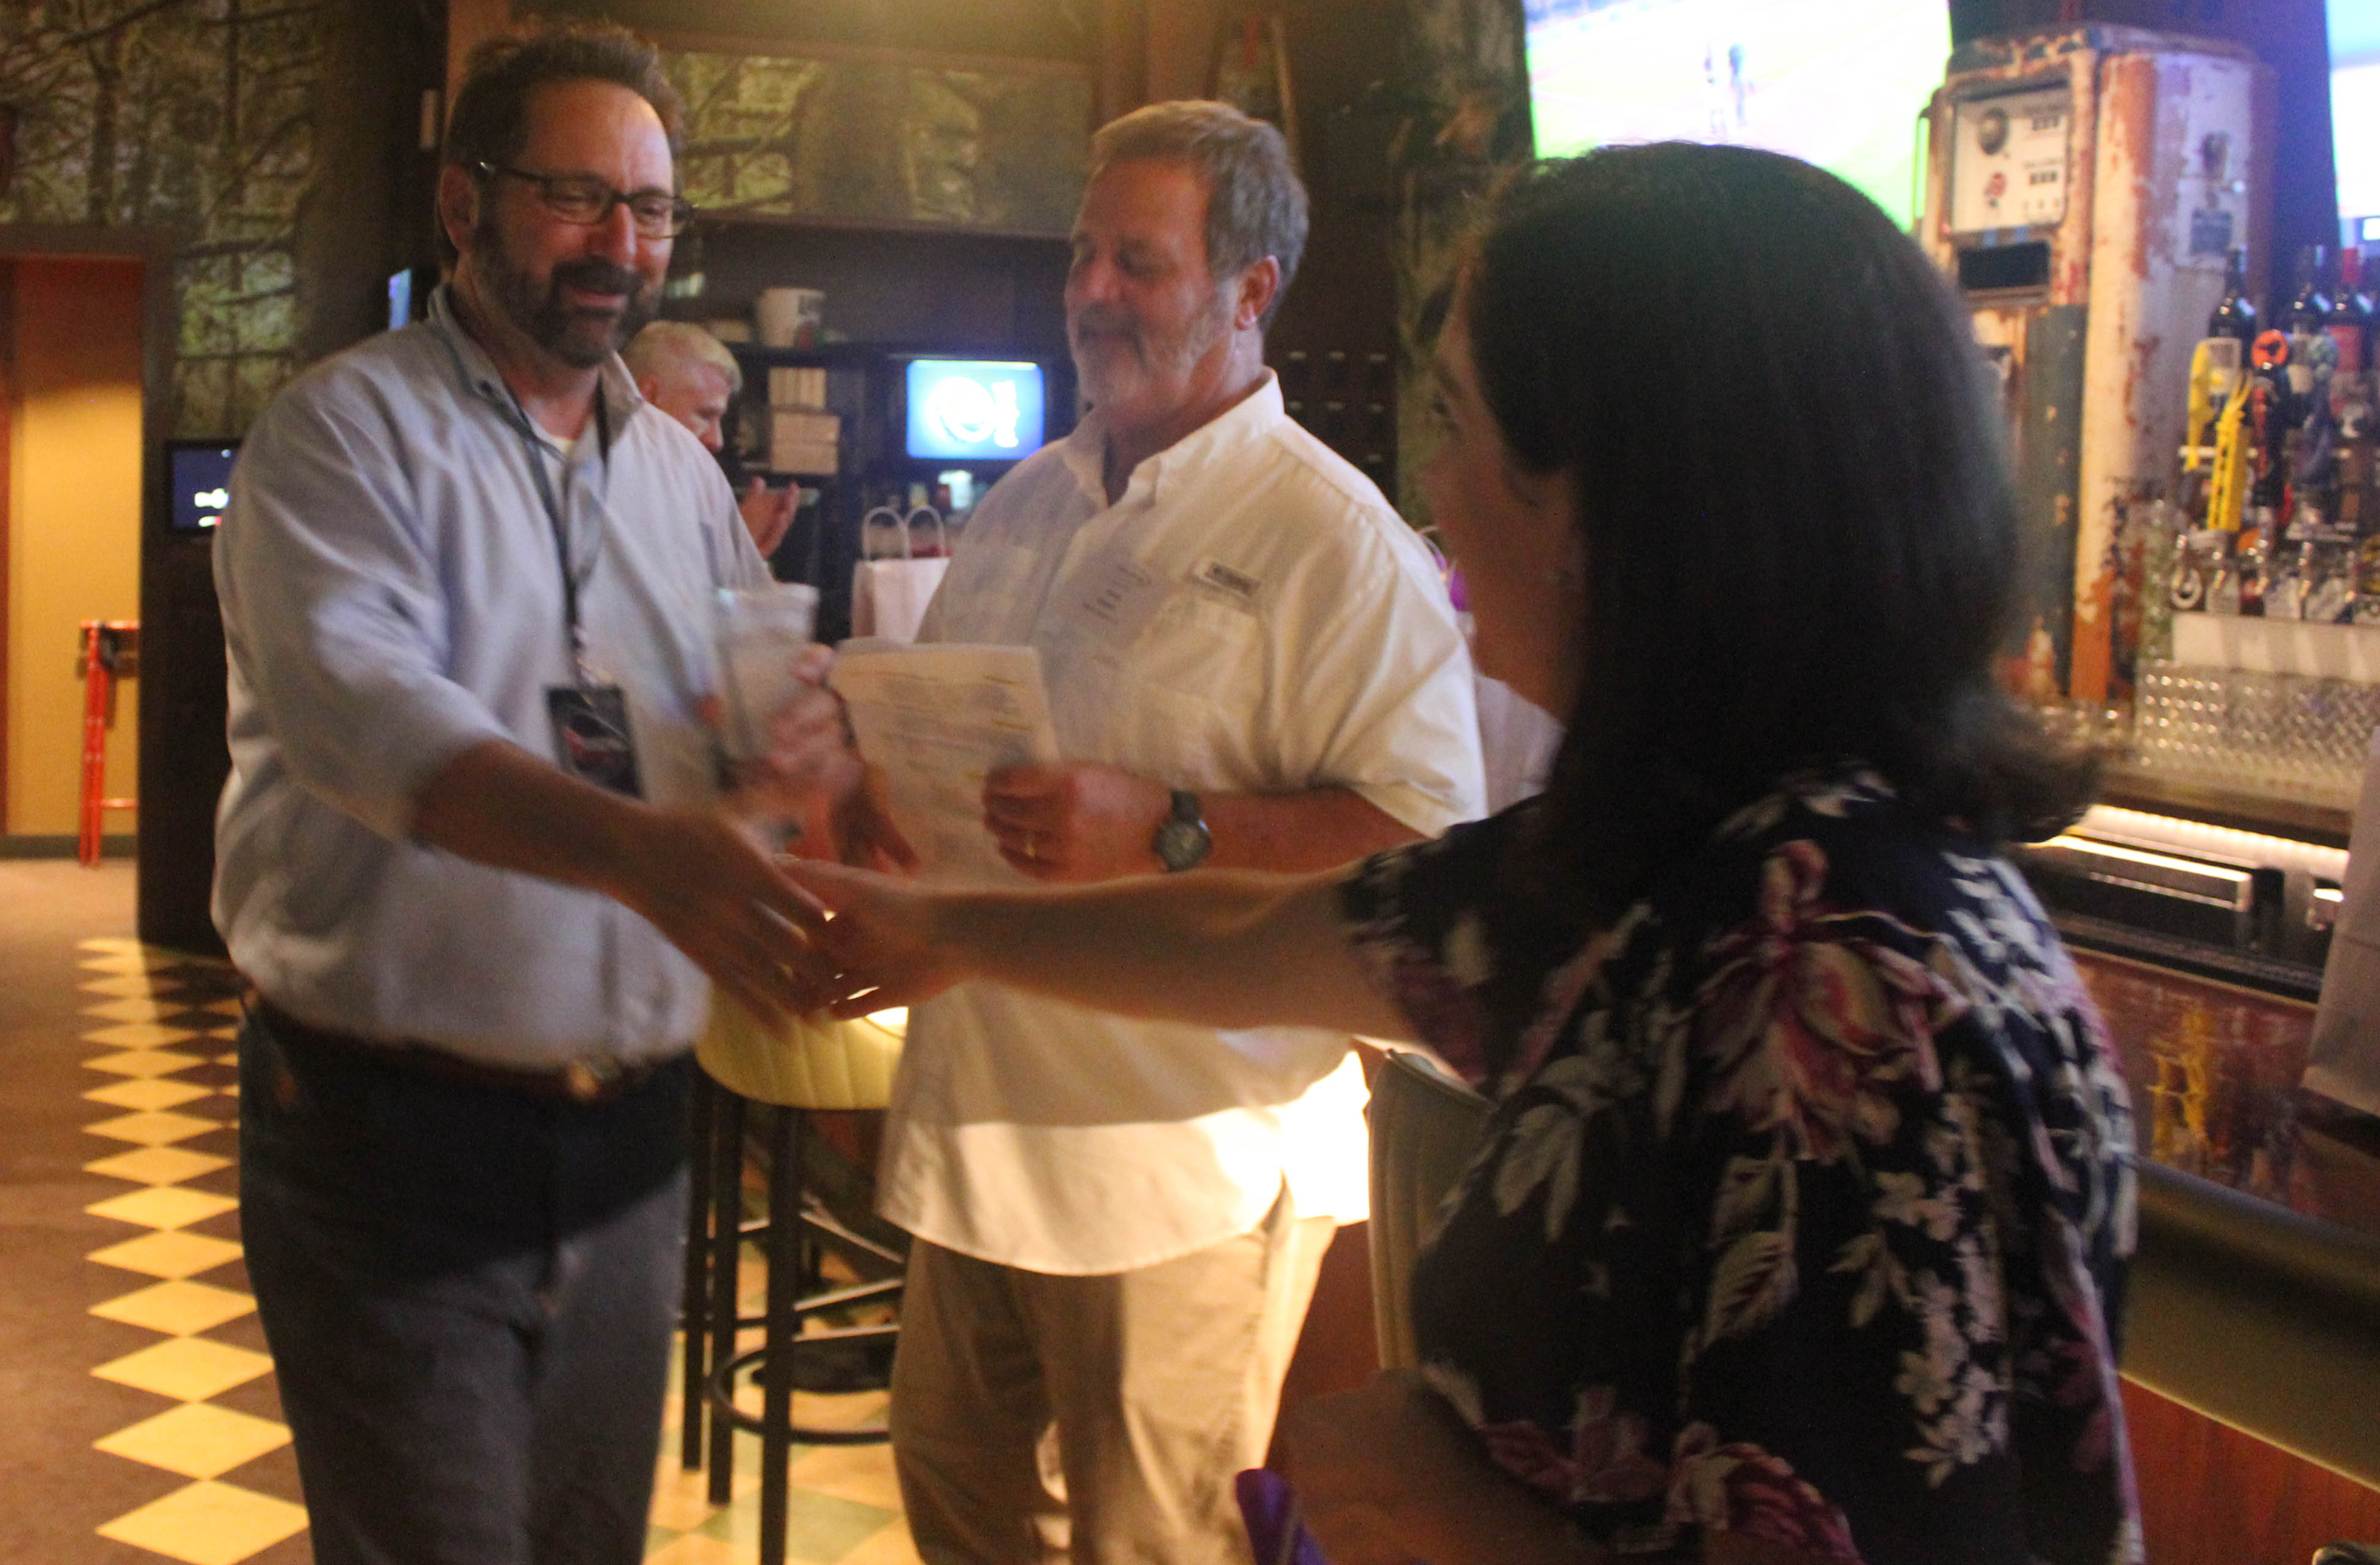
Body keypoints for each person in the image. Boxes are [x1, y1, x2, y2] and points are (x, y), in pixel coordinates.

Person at [807, 144, 2138, 1565]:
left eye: (1455, 422)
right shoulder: (1668, 861)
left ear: (1622, 506)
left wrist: (1438, 1510)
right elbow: (1258, 938)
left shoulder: (1832, 988)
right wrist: (944, 928)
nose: (1432, 495)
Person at [211, 18, 868, 1565]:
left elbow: (741, 716)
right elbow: (370, 722)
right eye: (576, 198)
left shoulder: (679, 478)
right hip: (393, 1142)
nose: (619, 245)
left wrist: (803, 751)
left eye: (649, 210)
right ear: (465, 203)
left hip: (633, 1143)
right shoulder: (342, 433)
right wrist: (649, 855)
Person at [857, 99, 1486, 1565]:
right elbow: (951, 761)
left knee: (1150, 1542)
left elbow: (1429, 850)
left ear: (1249, 289)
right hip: (979, 1122)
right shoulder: (1027, 500)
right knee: (952, 1487)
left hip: (1179, 1162)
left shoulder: (1333, 541)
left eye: (1136, 261)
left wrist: (1175, 829)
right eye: (1082, 253)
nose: (1090, 290)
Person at [624, 317, 799, 556]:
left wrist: (745, 559)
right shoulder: (608, 487)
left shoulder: (688, 495)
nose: (717, 441)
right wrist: (732, 551)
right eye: (704, 415)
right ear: (649, 397)